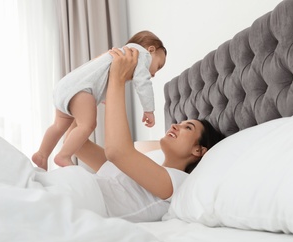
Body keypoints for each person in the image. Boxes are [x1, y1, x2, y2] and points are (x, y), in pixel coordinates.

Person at [69, 46, 225, 221]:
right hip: (69, 190)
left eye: (188, 127)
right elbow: (76, 144)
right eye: (179, 123)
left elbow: (117, 152)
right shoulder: (142, 166)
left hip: (76, 204)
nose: (175, 126)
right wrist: (91, 82)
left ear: (198, 150)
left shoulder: (178, 182)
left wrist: (117, 79)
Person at [32, 31, 167, 170]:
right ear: (151, 50)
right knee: (87, 125)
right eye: (158, 66)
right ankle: (64, 155)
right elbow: (143, 83)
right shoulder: (139, 55)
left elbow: (101, 78)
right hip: (81, 90)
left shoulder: (120, 54)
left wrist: (105, 98)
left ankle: (41, 154)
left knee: (58, 126)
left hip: (65, 86)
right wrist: (149, 110)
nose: (154, 74)